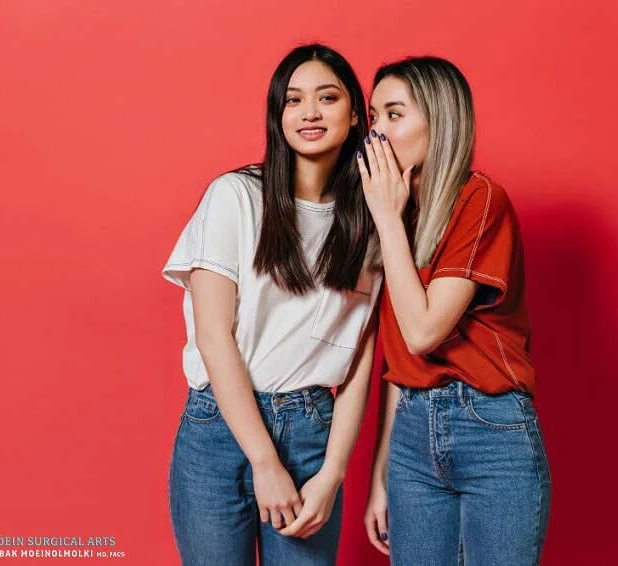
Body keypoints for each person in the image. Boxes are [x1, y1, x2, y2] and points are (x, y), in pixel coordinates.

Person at [161, 43, 381, 566]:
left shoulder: (372, 223)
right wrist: (263, 460)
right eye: (293, 100)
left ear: (355, 115)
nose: (309, 112)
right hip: (219, 430)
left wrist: (332, 472)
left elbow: (360, 355)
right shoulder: (235, 196)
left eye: (327, 98)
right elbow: (215, 337)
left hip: (312, 433)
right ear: (276, 114)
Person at [360, 56, 552, 566]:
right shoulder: (396, 216)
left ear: (438, 120)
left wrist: (385, 218)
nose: (376, 132)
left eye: (393, 115)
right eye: (373, 116)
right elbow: (400, 360)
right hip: (411, 439)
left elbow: (424, 331)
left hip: (491, 431)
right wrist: (382, 472)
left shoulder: (479, 199)